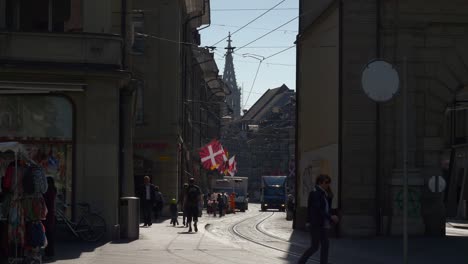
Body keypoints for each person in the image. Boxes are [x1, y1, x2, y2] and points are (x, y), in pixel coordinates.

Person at [298, 174, 339, 264]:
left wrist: (329, 196)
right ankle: (300, 262)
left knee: (325, 245)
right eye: (326, 182)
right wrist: (331, 217)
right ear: (320, 183)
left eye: (329, 182)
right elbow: (318, 209)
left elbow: (327, 208)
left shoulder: (323, 193)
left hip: (322, 224)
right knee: (314, 247)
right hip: (316, 224)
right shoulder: (315, 193)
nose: (328, 184)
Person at [42, 177, 57, 260]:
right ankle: (50, 253)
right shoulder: (53, 190)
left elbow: (46, 201)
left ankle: (49, 253)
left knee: (48, 235)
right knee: (50, 235)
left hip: (48, 215)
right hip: (51, 215)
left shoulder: (48, 191)